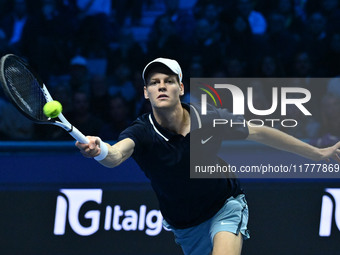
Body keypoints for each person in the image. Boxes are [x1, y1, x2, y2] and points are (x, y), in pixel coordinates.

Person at [76, 58, 340, 255]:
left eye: (168, 81)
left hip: (224, 204)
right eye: (154, 83)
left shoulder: (209, 118)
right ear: (146, 93)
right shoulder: (141, 132)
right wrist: (100, 150)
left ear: (180, 88)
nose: (161, 87)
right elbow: (116, 154)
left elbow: (261, 133)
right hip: (185, 226)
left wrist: (316, 152)